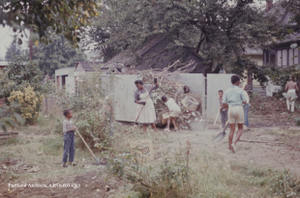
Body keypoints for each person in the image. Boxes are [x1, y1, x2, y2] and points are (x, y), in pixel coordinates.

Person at [222, 75, 247, 153]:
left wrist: (228, 106)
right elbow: (245, 101)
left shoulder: (227, 91)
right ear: (237, 82)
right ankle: (234, 143)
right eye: (239, 81)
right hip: (239, 108)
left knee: (231, 129)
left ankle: (229, 146)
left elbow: (224, 103)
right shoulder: (240, 90)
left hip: (231, 109)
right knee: (240, 128)